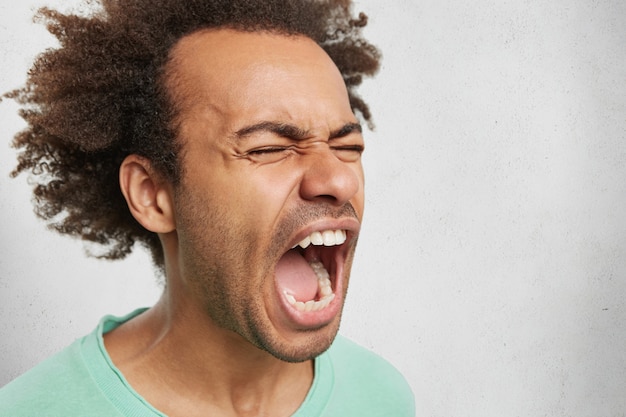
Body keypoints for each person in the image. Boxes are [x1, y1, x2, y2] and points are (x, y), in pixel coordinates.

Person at [0, 0, 415, 416]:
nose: (339, 180)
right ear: (152, 195)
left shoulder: (380, 396)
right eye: (269, 148)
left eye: (348, 147)